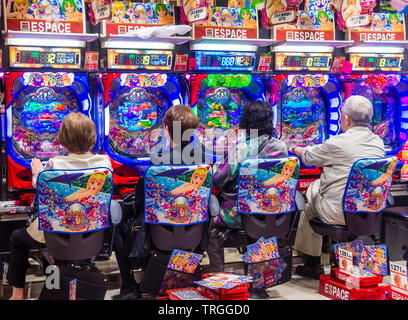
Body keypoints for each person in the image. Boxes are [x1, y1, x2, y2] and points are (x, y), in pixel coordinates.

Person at [7, 112, 112, 300]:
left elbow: (40, 185)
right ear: (93, 136)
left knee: (17, 238)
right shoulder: (105, 163)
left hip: (57, 233)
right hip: (92, 232)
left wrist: (37, 172)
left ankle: (17, 294)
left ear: (62, 139)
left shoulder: (55, 164)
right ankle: (58, 275)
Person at [113, 105, 207, 300]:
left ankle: (129, 285)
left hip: (160, 230)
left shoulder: (160, 161)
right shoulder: (202, 161)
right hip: (193, 228)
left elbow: (140, 201)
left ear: (166, 128)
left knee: (120, 223)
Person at [290, 95, 385, 279]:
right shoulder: (378, 143)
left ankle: (313, 263)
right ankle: (335, 256)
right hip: (369, 208)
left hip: (338, 211)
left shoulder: (338, 142)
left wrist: (294, 148)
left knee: (310, 195)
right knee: (317, 190)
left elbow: (309, 157)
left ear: (346, 118)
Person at [207, 101, 288, 272]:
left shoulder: (241, 148)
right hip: (273, 212)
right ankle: (259, 278)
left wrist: (215, 166)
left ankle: (218, 276)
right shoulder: (281, 146)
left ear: (246, 121)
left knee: (209, 222)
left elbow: (219, 179)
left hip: (241, 214)